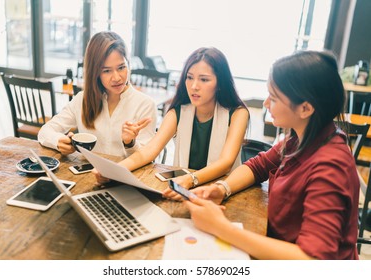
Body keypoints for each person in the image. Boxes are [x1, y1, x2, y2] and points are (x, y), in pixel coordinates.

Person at [185, 50, 360, 260]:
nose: (266, 104)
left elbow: (312, 260)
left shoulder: (331, 166)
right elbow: (258, 166)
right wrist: (222, 188)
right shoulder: (301, 137)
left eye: (274, 98)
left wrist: (221, 228)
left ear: (305, 108)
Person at [95, 47, 249, 199]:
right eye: (189, 77)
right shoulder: (178, 111)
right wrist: (114, 170)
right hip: (182, 191)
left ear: (220, 83)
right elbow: (149, 151)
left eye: (204, 79)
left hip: (222, 193)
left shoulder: (237, 114)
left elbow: (226, 163)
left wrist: (189, 180)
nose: (194, 86)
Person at [38, 31, 157, 157]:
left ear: (128, 65)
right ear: (95, 73)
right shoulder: (83, 100)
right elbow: (45, 132)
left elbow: (147, 158)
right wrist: (58, 141)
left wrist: (130, 143)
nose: (116, 78)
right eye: (106, 71)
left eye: (121, 67)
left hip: (126, 175)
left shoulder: (145, 104)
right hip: (88, 175)